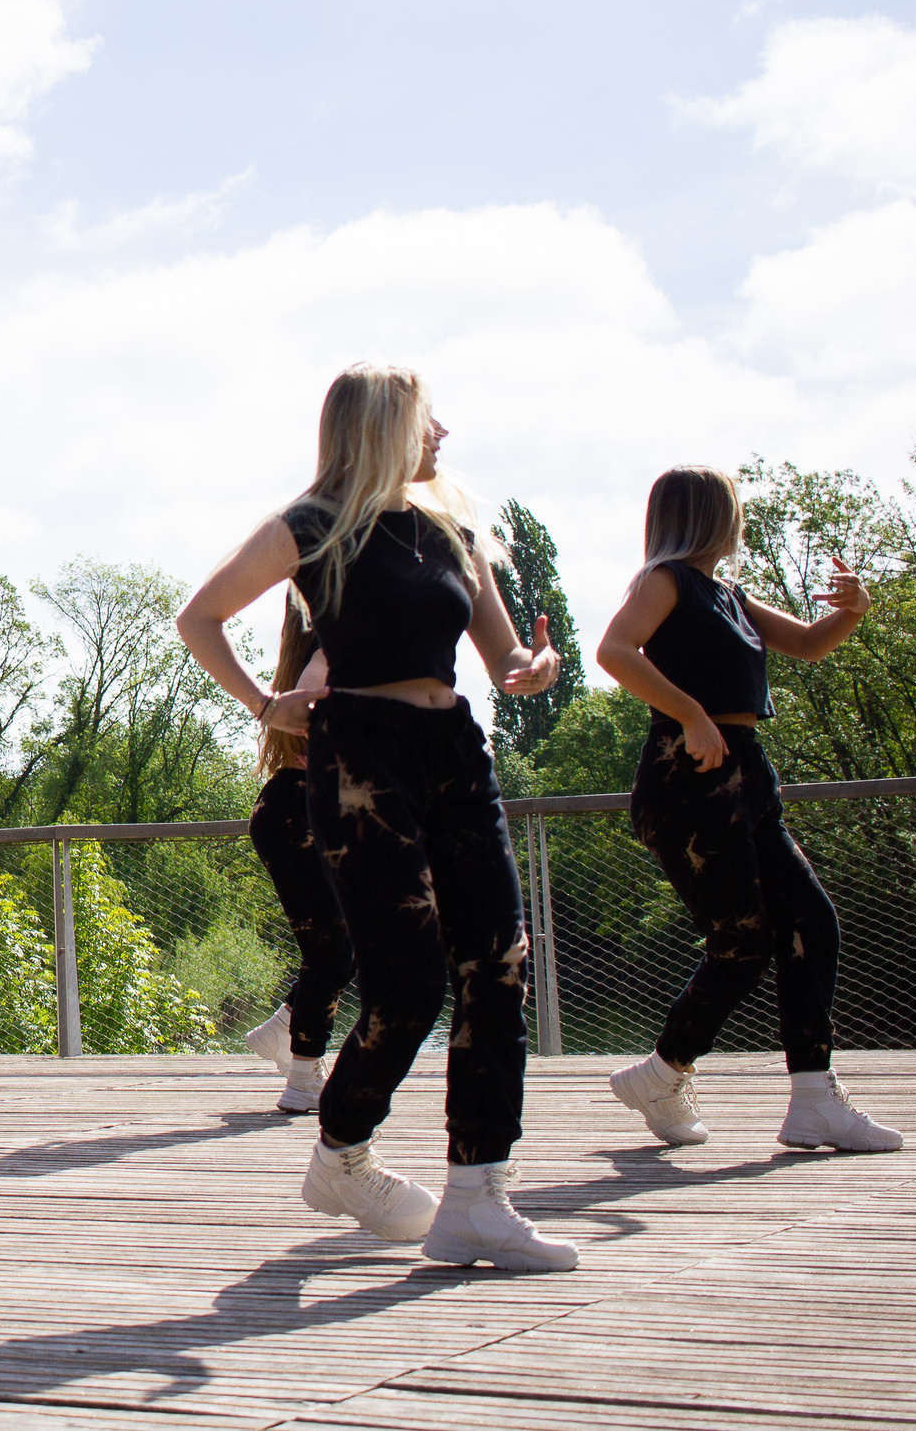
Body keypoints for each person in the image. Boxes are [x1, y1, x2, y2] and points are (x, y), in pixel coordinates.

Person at [176, 364, 578, 1272]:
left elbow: (503, 652)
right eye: (430, 418)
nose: (446, 432)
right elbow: (199, 617)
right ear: (384, 424)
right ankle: (342, 1152)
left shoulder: (453, 525)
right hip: (359, 757)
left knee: (498, 966)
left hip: (453, 752)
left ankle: (480, 1195)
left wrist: (533, 669)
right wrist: (262, 702)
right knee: (407, 984)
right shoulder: (311, 525)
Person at [596, 466, 899, 1153]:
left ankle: (810, 1098)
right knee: (744, 940)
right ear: (705, 514)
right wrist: (692, 715)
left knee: (811, 923)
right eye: (734, 509)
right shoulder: (663, 580)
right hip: (689, 775)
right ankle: (663, 1072)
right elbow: (614, 650)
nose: (742, 521)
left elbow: (809, 643)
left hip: (745, 773)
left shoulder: (727, 593)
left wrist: (852, 611)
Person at [238, 603, 348, 1115]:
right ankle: (303, 1076)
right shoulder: (333, 652)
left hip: (296, 810)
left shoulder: (320, 651)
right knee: (334, 950)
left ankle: (284, 1032)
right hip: (298, 815)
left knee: (341, 945)